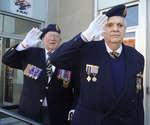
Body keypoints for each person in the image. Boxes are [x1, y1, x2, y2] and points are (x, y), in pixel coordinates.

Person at [49, 4, 145, 125]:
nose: (115, 29)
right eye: (110, 25)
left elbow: (137, 100)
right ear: (103, 30)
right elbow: (56, 59)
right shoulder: (87, 50)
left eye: (120, 25)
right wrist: (85, 35)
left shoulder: (137, 57)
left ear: (125, 30)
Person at [2, 24, 80, 125]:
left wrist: (74, 108)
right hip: (30, 111)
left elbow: (78, 89)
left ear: (60, 40)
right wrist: (23, 45)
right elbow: (6, 60)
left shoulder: (69, 58)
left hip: (58, 113)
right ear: (42, 39)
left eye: (56, 36)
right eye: (49, 35)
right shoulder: (30, 54)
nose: (53, 39)